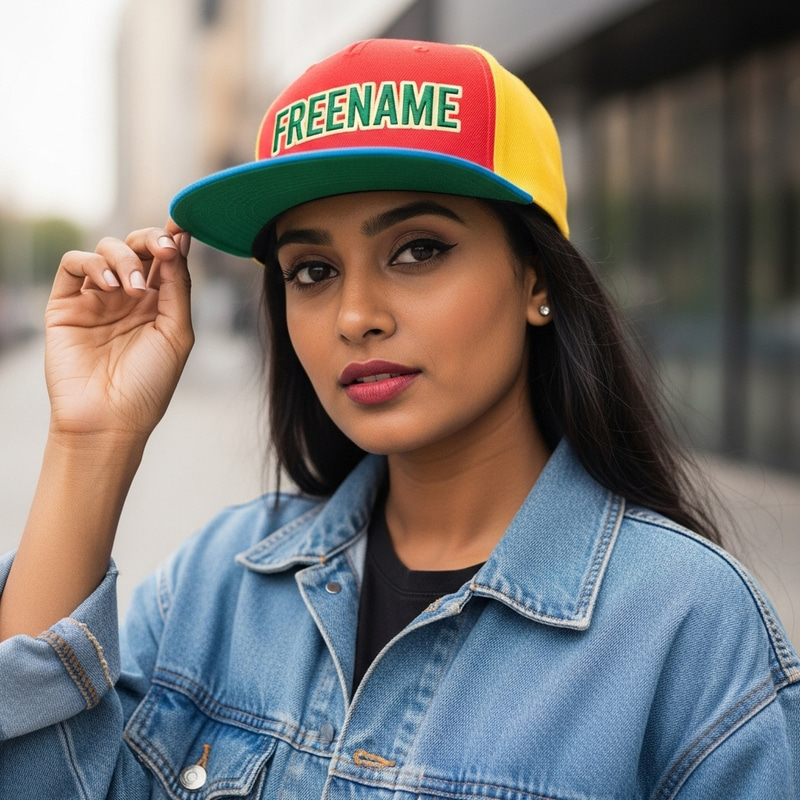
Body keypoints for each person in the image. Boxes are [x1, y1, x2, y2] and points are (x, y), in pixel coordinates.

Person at [0, 38, 797, 799]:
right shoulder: (214, 587)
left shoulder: (687, 629)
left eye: (418, 250)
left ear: (537, 281)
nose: (355, 316)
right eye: (312, 270)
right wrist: (91, 441)